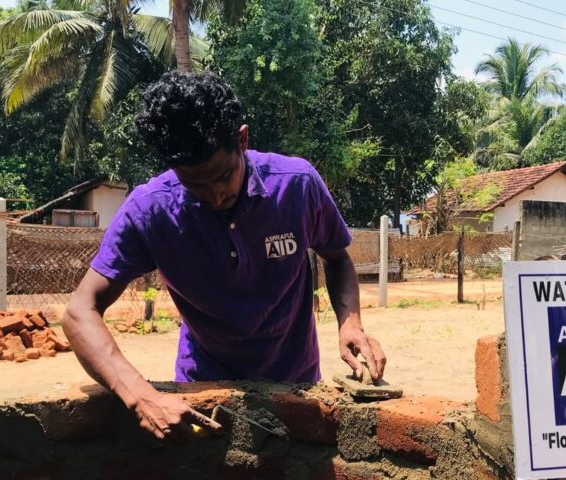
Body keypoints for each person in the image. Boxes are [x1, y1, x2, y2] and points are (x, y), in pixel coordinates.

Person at [63, 71, 386, 442]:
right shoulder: (150, 211)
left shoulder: (296, 185)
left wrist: (351, 324)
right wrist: (139, 395)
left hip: (295, 383)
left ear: (242, 140)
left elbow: (337, 259)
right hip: (205, 389)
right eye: (195, 185)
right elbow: (79, 312)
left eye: (223, 176)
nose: (215, 195)